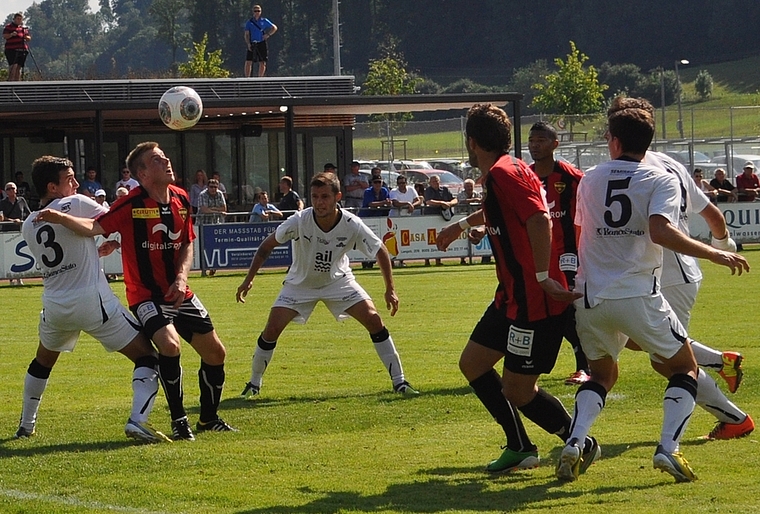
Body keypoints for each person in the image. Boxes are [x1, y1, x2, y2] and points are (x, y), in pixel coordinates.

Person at [559, 97, 748, 483]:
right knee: (682, 368)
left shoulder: (590, 177)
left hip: (591, 297)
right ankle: (668, 448)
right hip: (638, 294)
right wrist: (715, 253)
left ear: (613, 141)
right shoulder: (661, 177)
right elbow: (661, 230)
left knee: (600, 375)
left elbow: (580, 233)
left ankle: (576, 442)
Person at [435, 103, 597, 477]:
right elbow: (501, 213)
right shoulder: (506, 171)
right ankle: (520, 447)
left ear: (472, 142)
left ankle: (580, 439)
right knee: (472, 364)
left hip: (532, 302)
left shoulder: (504, 173)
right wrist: (460, 226)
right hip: (509, 298)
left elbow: (540, 218)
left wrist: (542, 276)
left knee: (519, 390)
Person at [36, 142, 236, 441]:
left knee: (216, 353)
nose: (167, 161)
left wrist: (181, 277)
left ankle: (208, 419)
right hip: (145, 295)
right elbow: (94, 226)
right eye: (157, 160)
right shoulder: (131, 203)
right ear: (142, 173)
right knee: (169, 346)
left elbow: (187, 243)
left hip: (179, 291)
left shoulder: (181, 198)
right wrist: (60, 217)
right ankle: (180, 421)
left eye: (165, 157)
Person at [17, 155, 169, 443]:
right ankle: (138, 421)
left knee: (42, 362)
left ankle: (26, 424)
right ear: (52, 187)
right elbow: (118, 218)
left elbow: (64, 254)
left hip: (55, 305)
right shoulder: (76, 203)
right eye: (69, 179)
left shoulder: (28, 224)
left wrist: (95, 251)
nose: (76, 184)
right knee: (149, 356)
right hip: (92, 301)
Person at [236, 172, 418, 398]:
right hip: (300, 284)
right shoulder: (300, 220)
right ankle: (253, 385)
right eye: (315, 197)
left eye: (324, 197)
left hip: (338, 281)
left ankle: (400, 382)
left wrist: (390, 289)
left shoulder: (351, 224)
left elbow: (380, 249)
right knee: (271, 329)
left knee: (373, 319)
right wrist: (248, 279)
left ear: (337, 197)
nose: (319, 202)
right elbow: (266, 246)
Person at [638, 148, 754, 441]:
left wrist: (719, 252)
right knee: (636, 340)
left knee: (667, 360)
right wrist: (725, 244)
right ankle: (721, 361)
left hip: (670, 277)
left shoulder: (642, 168)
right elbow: (712, 214)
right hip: (671, 275)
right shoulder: (670, 163)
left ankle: (735, 419)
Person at [527, 122, 591, 386]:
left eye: (541, 140)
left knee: (566, 307)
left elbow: (591, 211)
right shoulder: (525, 176)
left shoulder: (573, 177)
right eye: (531, 140)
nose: (534, 145)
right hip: (537, 256)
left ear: (555, 144)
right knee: (538, 308)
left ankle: (584, 366)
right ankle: (531, 365)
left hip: (568, 254)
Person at [424, 175, 457, 266]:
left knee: (441, 237)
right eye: (433, 181)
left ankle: (438, 259)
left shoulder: (445, 190)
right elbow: (428, 202)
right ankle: (427, 260)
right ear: (430, 183)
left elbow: (455, 199)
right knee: (429, 239)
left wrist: (449, 204)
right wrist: (442, 203)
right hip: (430, 217)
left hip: (442, 218)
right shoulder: (428, 191)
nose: (436, 183)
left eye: (437, 181)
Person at [244, 4, 277, 77]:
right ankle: (247, 78)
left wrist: (268, 34)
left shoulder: (264, 21)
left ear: (261, 12)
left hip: (261, 42)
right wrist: (248, 43)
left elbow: (274, 27)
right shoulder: (249, 22)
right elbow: (246, 34)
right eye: (255, 11)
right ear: (253, 12)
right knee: (248, 61)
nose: (257, 12)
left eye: (258, 11)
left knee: (262, 61)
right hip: (253, 43)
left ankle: (260, 78)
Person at [3, 13, 30, 82]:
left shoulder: (23, 28)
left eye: (20, 19)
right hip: (11, 50)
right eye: (18, 19)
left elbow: (29, 38)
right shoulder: (9, 27)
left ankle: (17, 83)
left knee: (18, 67)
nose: (19, 20)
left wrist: (26, 37)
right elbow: (5, 36)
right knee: (13, 66)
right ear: (14, 19)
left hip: (22, 50)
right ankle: (11, 82)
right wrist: (11, 34)